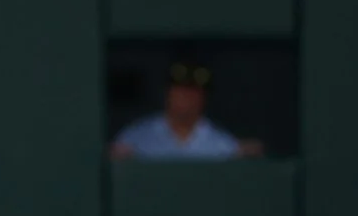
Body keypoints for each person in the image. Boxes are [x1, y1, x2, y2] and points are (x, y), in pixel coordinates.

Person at [109, 61, 264, 160]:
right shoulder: (137, 137)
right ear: (168, 94)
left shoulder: (222, 143)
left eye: (193, 93)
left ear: (203, 98)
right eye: (181, 92)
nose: (187, 99)